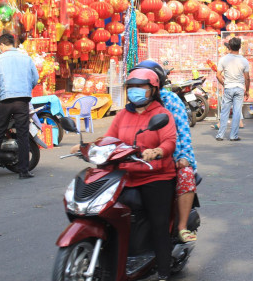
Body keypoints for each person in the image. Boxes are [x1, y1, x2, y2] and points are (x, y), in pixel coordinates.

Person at [73, 68, 177, 281]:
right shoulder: (123, 114)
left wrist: (157, 151)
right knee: (105, 213)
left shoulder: (162, 114)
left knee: (158, 223)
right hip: (124, 175)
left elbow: (169, 141)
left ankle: (164, 272)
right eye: (131, 87)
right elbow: (109, 139)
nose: (135, 91)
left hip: (154, 176)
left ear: (152, 90)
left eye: (140, 87)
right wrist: (88, 147)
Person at [133, 60, 198, 243]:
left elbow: (183, 130)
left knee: (185, 175)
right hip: (138, 157)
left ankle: (182, 227)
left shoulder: (170, 100)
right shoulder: (134, 103)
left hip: (171, 157)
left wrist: (184, 156)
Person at [0, 34, 39, 180]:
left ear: (2, 45)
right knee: (22, 134)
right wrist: (26, 89)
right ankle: (23, 171)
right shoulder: (26, 58)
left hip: (4, 100)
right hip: (22, 100)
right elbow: (35, 78)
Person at [216, 37, 250, 141]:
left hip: (228, 88)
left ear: (229, 47)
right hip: (239, 88)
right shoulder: (244, 61)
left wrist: (224, 83)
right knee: (236, 112)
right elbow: (247, 78)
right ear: (239, 47)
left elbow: (218, 75)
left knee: (224, 111)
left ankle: (220, 135)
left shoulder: (223, 59)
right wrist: (247, 90)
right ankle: (233, 135)